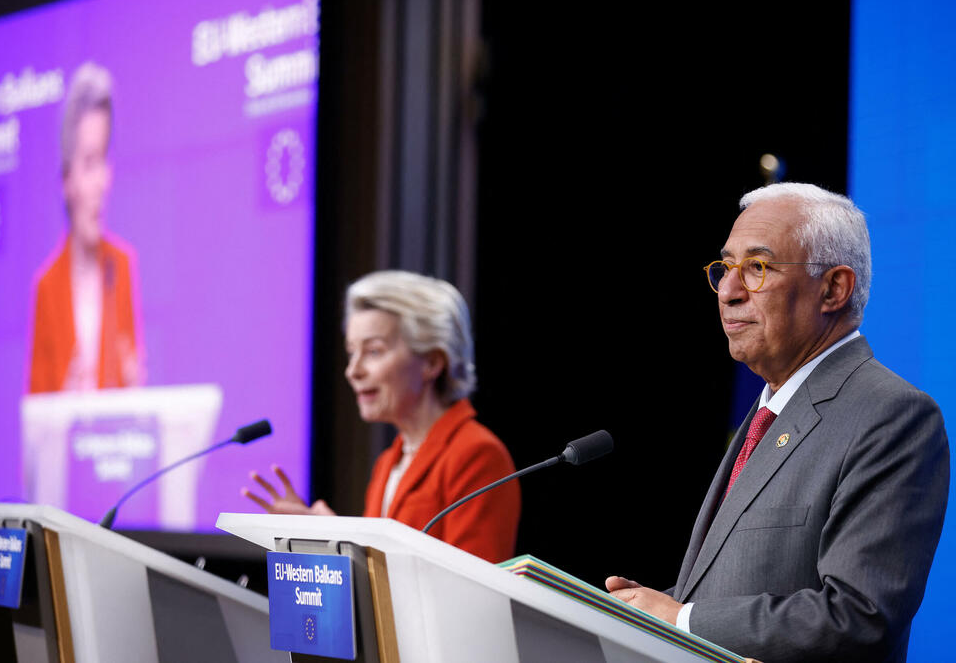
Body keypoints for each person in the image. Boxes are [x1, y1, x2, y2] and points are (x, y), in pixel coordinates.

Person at [606, 183, 949, 662]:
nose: (727, 291)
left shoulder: (892, 416)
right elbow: (739, 583)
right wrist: (641, 610)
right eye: (725, 267)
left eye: (757, 268)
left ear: (833, 288)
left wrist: (680, 619)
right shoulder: (770, 408)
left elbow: (859, 616)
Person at [243, 270, 521, 563]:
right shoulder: (388, 463)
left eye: (373, 351)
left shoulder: (476, 455)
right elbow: (376, 576)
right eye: (352, 352)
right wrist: (323, 539)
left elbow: (474, 592)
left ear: (431, 362)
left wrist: (339, 535)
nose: (353, 371)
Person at [28, 61, 144, 393]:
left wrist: (136, 392)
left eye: (104, 160)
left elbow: (130, 401)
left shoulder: (121, 266)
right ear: (67, 180)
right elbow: (36, 428)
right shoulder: (46, 288)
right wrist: (63, 405)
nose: (103, 181)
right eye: (90, 163)